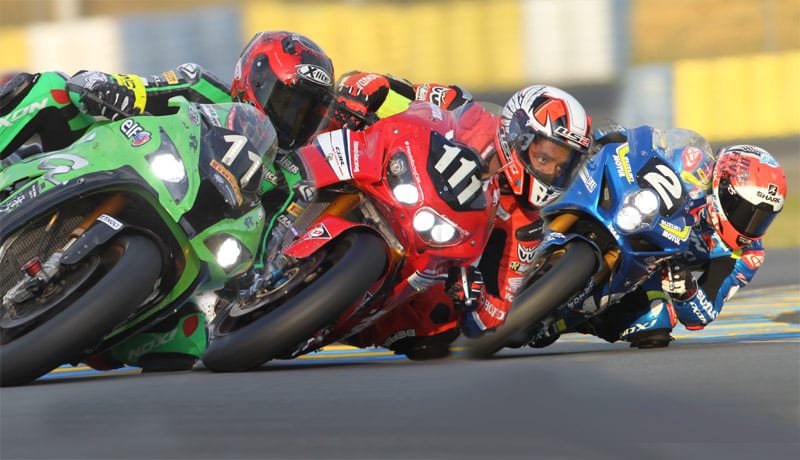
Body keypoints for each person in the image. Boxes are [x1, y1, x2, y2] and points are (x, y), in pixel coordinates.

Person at [0, 30, 336, 371]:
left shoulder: (294, 179)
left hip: (188, 245)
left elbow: (270, 239)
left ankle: (73, 333)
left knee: (187, 338)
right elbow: (140, 88)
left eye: (308, 112)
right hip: (126, 163)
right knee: (52, 89)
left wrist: (253, 273)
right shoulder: (201, 86)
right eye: (288, 102)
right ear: (256, 79)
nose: (295, 118)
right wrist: (105, 87)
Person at [345, 84, 594, 359]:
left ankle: (339, 322)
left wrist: (474, 297)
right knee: (331, 101)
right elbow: (392, 88)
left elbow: (494, 316)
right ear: (520, 134)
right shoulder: (466, 110)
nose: (552, 172)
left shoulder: (525, 227)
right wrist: (363, 94)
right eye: (544, 157)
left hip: (422, 249)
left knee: (439, 327)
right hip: (380, 173)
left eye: (562, 167)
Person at [570, 142, 788, 348]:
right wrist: (615, 138)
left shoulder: (748, 253)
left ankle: (581, 320)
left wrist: (687, 290)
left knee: (656, 321)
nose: (750, 225)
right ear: (723, 188)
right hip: (630, 213)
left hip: (648, 268)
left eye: (762, 218)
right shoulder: (691, 164)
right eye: (745, 212)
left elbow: (704, 314)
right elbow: (641, 148)